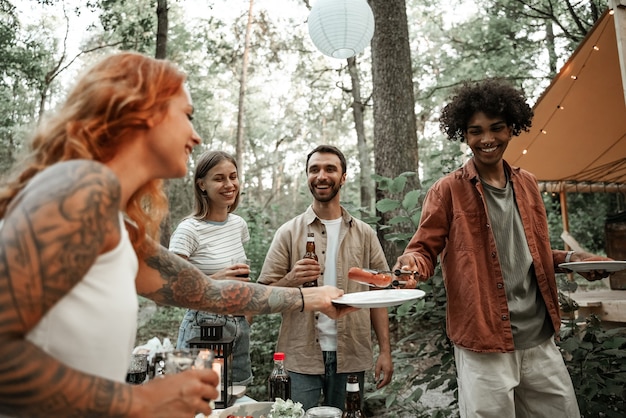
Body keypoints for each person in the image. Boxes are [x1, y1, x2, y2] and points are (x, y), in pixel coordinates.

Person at [0, 52, 349, 418]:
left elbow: (209, 292)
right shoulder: (78, 190)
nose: (195, 135)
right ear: (143, 112)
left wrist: (309, 298)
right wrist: (138, 402)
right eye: (186, 115)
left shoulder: (116, 225)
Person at [394, 78, 613, 418]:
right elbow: (422, 249)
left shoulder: (527, 184)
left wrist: (573, 259)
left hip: (539, 337)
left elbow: (529, 254)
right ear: (463, 135)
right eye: (475, 131)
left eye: (496, 128)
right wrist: (410, 265)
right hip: (484, 342)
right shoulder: (447, 190)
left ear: (512, 127)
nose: (486, 139)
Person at [257, 145, 393, 411]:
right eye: (314, 169)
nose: (321, 175)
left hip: (351, 353)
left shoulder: (364, 234)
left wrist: (385, 352)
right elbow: (262, 296)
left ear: (343, 177)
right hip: (300, 355)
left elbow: (379, 296)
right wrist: (291, 279)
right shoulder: (288, 232)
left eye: (330, 169)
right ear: (307, 176)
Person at [171, 150, 253, 386]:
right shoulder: (189, 230)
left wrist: (246, 317)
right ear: (202, 185)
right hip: (203, 327)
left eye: (233, 176)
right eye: (219, 178)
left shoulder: (238, 225)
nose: (229, 185)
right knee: (196, 400)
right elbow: (170, 287)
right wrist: (214, 280)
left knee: (237, 396)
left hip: (238, 325)